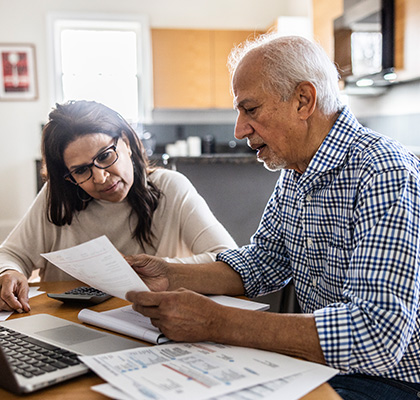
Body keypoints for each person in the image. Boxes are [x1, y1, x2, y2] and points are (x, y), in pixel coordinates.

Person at [125, 34, 420, 400]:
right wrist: (170, 274)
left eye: (250, 109)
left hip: (392, 382)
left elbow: (378, 334)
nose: (239, 129)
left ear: (303, 100)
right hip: (323, 366)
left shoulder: (383, 171)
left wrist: (218, 322)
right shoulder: (297, 169)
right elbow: (264, 261)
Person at [0, 100, 237, 313]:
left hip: (147, 323)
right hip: (67, 324)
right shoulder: (58, 197)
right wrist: (9, 272)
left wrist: (163, 271)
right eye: (82, 170)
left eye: (105, 156)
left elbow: (229, 259)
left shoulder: (170, 188)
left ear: (126, 142)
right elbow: (11, 254)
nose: (101, 178)